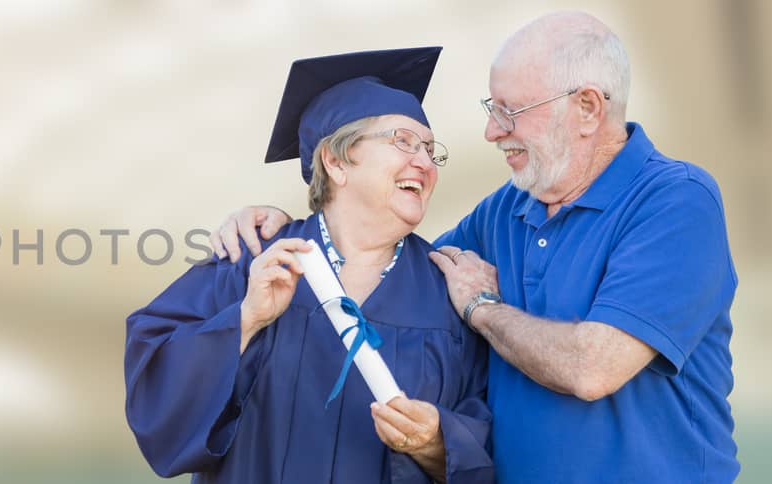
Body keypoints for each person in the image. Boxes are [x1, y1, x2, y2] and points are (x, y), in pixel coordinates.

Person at [209, 12, 739, 483]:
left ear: (585, 108)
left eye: (510, 111)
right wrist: (296, 221)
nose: (491, 131)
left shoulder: (675, 201)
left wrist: (483, 311)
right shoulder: (505, 211)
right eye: (492, 108)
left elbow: (592, 369)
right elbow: (392, 273)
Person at [124, 47, 493, 484]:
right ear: (335, 162)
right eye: (403, 141)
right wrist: (243, 322)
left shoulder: (446, 295)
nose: (425, 163)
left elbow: (487, 435)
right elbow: (156, 395)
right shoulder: (252, 263)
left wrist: (436, 443)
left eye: (431, 150)